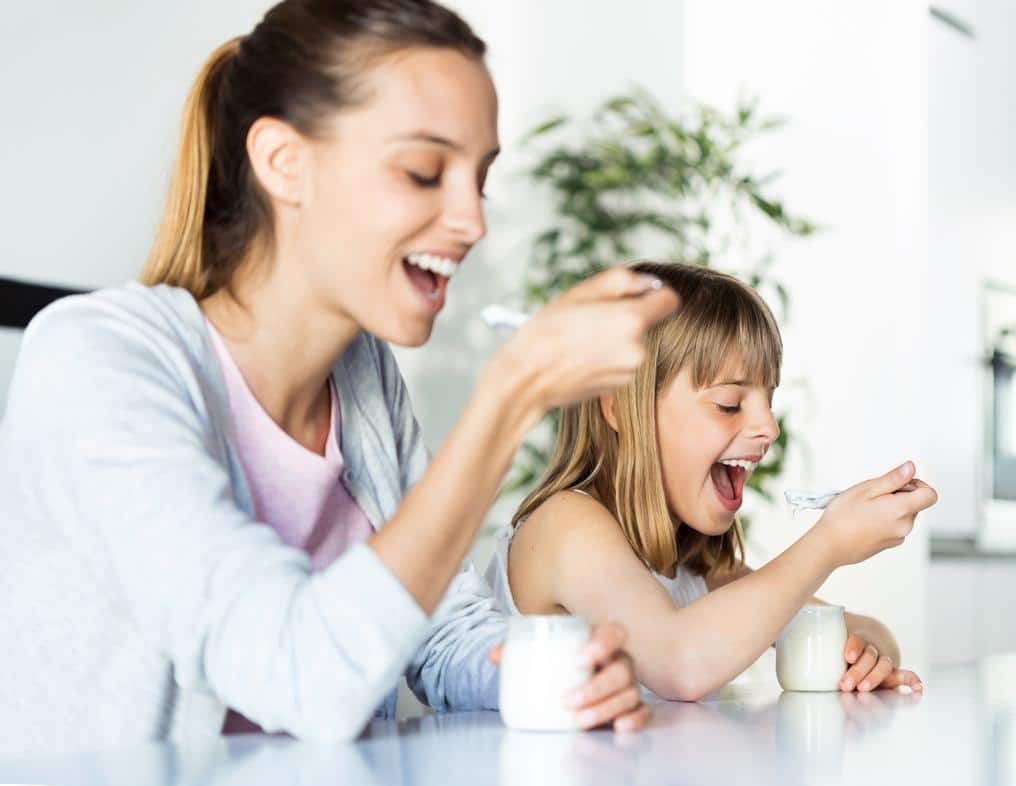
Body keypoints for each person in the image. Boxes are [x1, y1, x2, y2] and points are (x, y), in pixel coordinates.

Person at [0, 0, 680, 756]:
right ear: (285, 164)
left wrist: (538, 672)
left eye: (478, 179)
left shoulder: (362, 375)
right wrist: (512, 393)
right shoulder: (96, 360)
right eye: (424, 171)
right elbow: (302, 674)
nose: (471, 221)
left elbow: (436, 628)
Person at [487, 263, 935, 701]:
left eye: (769, 399)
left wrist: (869, 655)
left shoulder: (697, 570)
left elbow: (863, 629)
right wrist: (830, 542)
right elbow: (680, 663)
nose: (769, 428)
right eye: (729, 403)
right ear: (619, 408)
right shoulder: (564, 525)